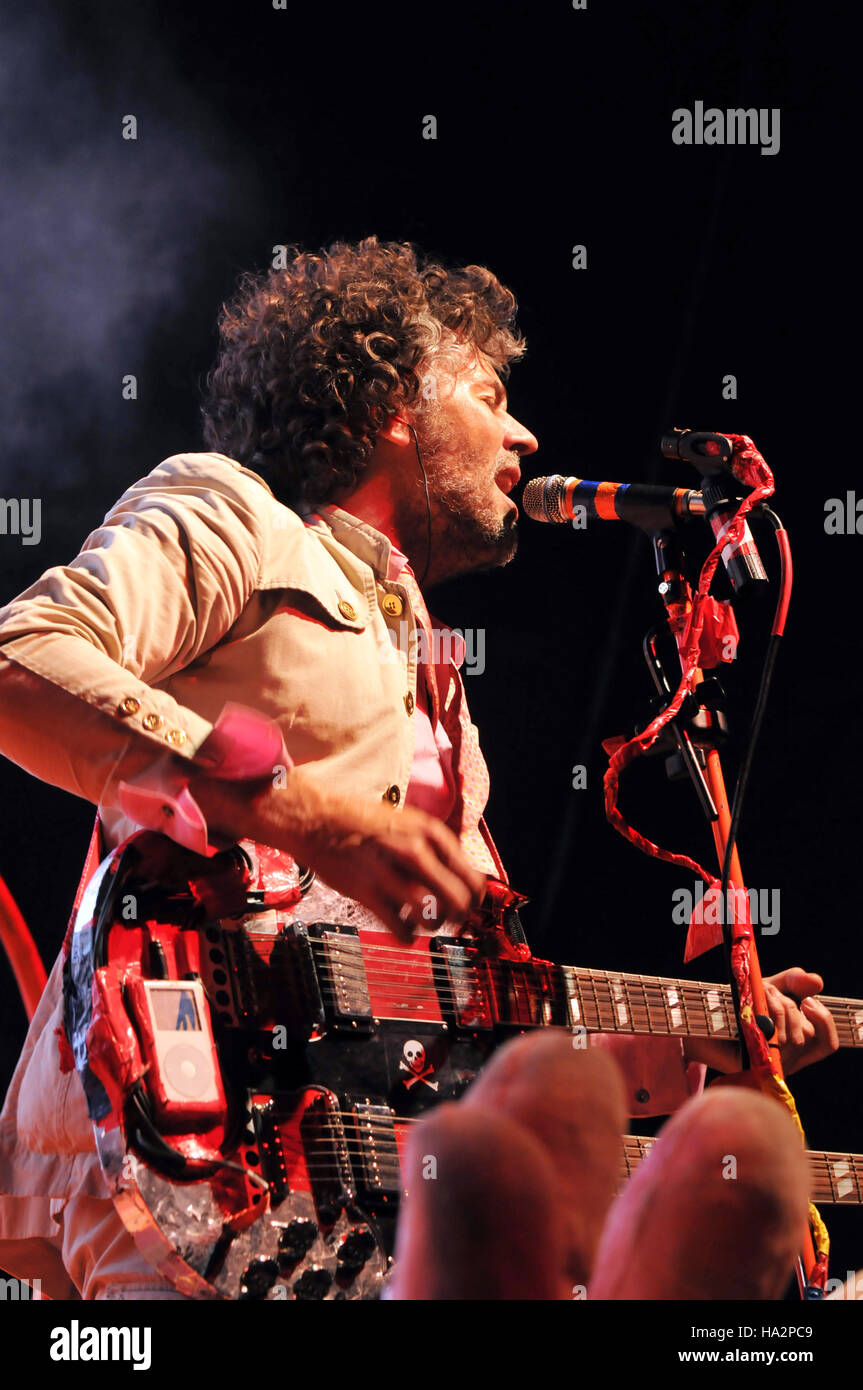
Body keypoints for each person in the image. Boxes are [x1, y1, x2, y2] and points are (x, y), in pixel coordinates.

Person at [0, 238, 839, 1299]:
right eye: (490, 393)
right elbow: (22, 660)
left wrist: (693, 1055)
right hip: (171, 1133)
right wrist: (292, 805)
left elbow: (447, 1018)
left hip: (335, 1201)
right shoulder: (233, 516)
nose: (526, 433)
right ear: (395, 404)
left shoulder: (433, 669)